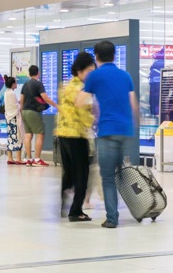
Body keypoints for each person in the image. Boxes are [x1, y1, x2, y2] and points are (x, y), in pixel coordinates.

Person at [76, 41, 139, 228]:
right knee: (121, 173)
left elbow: (79, 102)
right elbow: (133, 104)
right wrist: (133, 125)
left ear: (96, 56)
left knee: (108, 177)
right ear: (114, 55)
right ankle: (138, 206)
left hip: (107, 131)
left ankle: (112, 218)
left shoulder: (95, 76)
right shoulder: (125, 75)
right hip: (125, 130)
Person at [58, 52, 96, 222]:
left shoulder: (67, 85)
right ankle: (76, 210)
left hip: (63, 134)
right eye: (89, 70)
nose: (91, 74)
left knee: (69, 173)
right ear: (80, 70)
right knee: (82, 173)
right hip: (77, 135)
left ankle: (63, 205)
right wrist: (95, 119)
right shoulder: (80, 88)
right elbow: (84, 111)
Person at [20, 65, 58, 166]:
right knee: (40, 134)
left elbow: (21, 101)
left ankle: (29, 159)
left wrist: (21, 113)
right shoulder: (38, 84)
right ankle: (37, 159)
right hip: (33, 112)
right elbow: (45, 98)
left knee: (28, 135)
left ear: (29, 73)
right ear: (38, 73)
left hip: (24, 112)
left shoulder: (25, 85)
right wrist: (56, 105)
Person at [3, 76, 24, 165]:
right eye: (15, 83)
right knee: (18, 137)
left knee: (10, 138)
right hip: (14, 118)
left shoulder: (6, 92)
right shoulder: (11, 93)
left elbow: (10, 105)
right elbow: (15, 106)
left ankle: (10, 158)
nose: (17, 84)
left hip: (9, 117)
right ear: (12, 84)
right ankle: (18, 158)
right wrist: (21, 104)